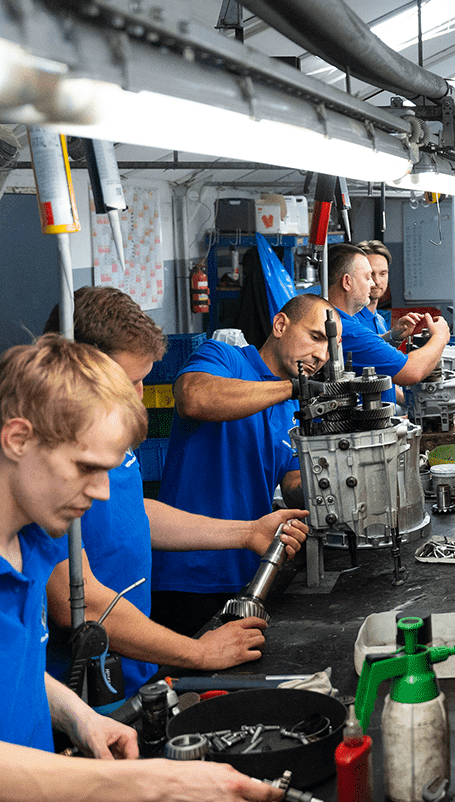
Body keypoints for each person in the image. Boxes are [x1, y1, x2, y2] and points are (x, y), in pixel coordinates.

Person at [0, 334, 279, 801]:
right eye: (85, 467)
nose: (102, 492)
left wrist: (75, 715)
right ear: (17, 439)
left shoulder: (35, 543)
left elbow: (14, 669)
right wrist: (151, 783)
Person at [42, 287, 309, 699]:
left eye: (142, 381)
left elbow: (134, 513)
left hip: (130, 673)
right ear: (77, 369)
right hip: (80, 690)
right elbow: (76, 601)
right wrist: (199, 652)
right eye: (129, 381)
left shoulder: (104, 434)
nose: (138, 396)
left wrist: (246, 532)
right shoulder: (46, 461)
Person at [149, 294, 332, 637]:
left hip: (251, 574)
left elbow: (293, 485)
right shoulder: (225, 358)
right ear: (280, 325)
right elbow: (193, 397)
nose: (321, 355)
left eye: (328, 346)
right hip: (187, 576)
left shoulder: (294, 411)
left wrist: (334, 482)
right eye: (315, 337)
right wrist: (292, 388)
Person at [326, 242, 449, 385]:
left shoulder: (358, 323)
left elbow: (371, 353)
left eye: (383, 273)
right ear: (347, 282)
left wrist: (392, 337)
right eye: (368, 277)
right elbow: (410, 371)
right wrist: (440, 336)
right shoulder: (347, 329)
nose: (374, 283)